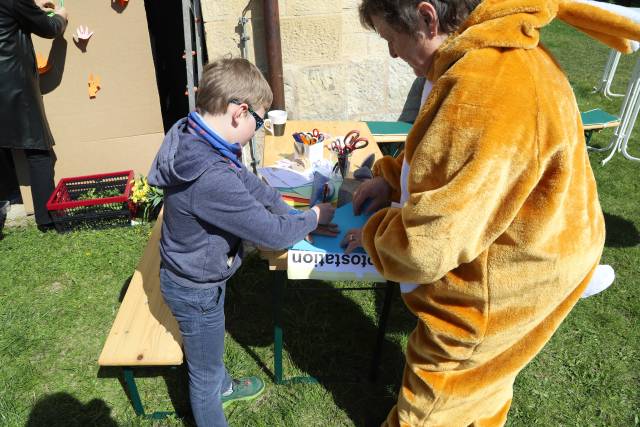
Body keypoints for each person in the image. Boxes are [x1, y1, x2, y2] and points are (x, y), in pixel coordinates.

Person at [342, 0, 640, 425]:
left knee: (438, 397)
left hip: (501, 283)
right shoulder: (478, 57)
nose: (391, 53)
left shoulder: (484, 85)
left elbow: (427, 248)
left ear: (427, 18)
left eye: (391, 39)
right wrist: (390, 178)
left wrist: (374, 235)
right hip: (544, 252)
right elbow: (441, 154)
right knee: (486, 382)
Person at [147, 57, 336, 427]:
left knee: (209, 351)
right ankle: (214, 403)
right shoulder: (210, 176)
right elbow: (270, 235)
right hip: (194, 287)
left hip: (192, 272)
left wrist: (288, 213)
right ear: (240, 112)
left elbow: (251, 187)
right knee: (202, 374)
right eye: (260, 122)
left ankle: (225, 386)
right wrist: (313, 217)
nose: (258, 130)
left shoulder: (194, 133)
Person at [0, 0, 68, 232]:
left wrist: (32, 7)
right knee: (37, 148)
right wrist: (61, 16)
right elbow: (48, 29)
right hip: (12, 83)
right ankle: (47, 218)